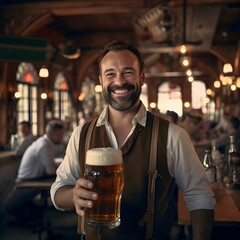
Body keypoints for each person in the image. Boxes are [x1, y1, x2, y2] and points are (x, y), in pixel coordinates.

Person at [50, 41, 215, 240]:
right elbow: (59, 189)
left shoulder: (173, 135)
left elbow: (199, 195)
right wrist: (72, 195)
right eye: (110, 74)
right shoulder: (81, 134)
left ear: (142, 77)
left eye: (128, 72)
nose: (119, 81)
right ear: (102, 81)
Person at [4, 120, 65, 225]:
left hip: (35, 179)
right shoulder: (44, 145)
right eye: (61, 135)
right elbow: (50, 170)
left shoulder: (46, 143)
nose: (62, 137)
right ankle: (38, 220)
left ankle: (39, 217)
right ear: (55, 134)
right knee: (8, 207)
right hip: (26, 182)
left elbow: (51, 164)